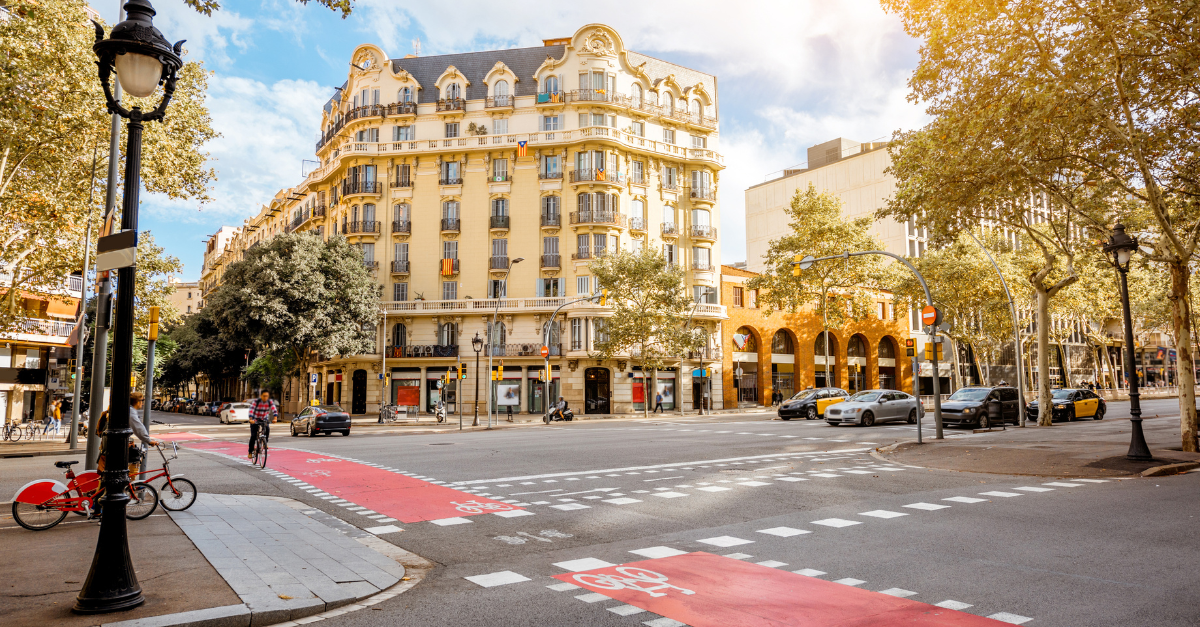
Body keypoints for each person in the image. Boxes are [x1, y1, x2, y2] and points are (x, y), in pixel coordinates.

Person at [248, 390, 278, 458]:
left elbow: (274, 409)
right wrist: (251, 419)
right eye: (264, 396)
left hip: (264, 419)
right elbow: (251, 410)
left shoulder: (269, 401)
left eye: (267, 396)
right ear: (261, 396)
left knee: (267, 428)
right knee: (253, 436)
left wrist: (275, 418)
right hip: (255, 419)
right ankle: (250, 452)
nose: (265, 398)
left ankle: (265, 442)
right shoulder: (256, 401)